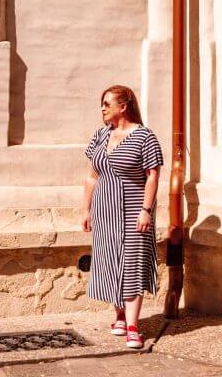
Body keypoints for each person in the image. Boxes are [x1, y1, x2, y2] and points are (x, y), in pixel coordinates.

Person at [82, 85, 164, 351]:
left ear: (124, 106)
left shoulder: (144, 137)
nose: (103, 108)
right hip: (104, 211)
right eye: (101, 103)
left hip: (133, 211)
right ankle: (118, 315)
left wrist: (146, 210)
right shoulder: (101, 135)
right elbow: (91, 176)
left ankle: (132, 327)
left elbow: (152, 176)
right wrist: (85, 209)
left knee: (131, 265)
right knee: (108, 263)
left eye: (107, 103)